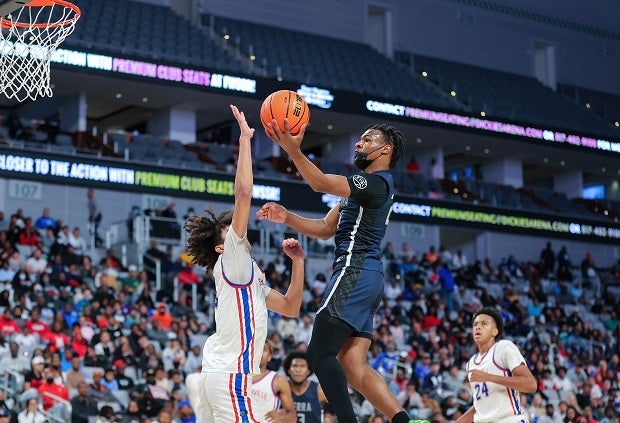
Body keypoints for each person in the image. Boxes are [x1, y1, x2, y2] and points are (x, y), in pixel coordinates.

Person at [258, 118, 411, 423]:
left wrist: (294, 151)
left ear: (385, 149)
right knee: (354, 368)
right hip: (368, 278)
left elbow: (320, 183)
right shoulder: (361, 192)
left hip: (354, 271)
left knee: (318, 353)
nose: (358, 143)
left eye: (367, 140)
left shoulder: (376, 183)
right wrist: (286, 216)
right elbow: (326, 228)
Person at [184, 105, 306, 423]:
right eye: (233, 231)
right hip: (230, 374)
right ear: (222, 246)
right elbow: (244, 193)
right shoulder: (233, 260)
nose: (241, 230)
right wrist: (246, 140)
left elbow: (291, 308)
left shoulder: (248, 279)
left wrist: (298, 263)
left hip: (216, 373)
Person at [455, 307, 537, 423]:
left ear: (495, 331)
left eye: (484, 324)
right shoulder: (471, 364)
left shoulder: (503, 347)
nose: (478, 327)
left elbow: (531, 384)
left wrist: (489, 377)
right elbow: (481, 406)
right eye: (475, 324)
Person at [250, 341, 297, 422]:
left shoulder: (278, 380)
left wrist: (281, 418)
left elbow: (293, 416)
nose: (259, 352)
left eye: (263, 349)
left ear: (269, 357)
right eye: (256, 348)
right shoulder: (234, 377)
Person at [283, 350, 328, 423]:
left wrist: (329, 416)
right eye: (295, 366)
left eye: (302, 366)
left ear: (308, 371)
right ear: (289, 370)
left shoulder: (319, 390)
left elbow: (339, 406)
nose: (298, 370)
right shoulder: (281, 389)